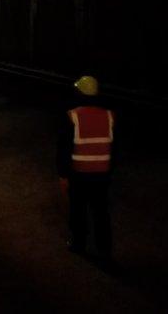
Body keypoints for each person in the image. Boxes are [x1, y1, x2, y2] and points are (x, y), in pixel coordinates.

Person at [57, 75, 115, 265]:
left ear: (79, 92)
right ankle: (104, 249)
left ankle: (78, 243)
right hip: (102, 173)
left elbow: (64, 148)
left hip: (80, 172)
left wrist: (63, 174)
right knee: (101, 212)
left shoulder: (73, 116)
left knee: (78, 209)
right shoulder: (109, 115)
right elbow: (115, 147)